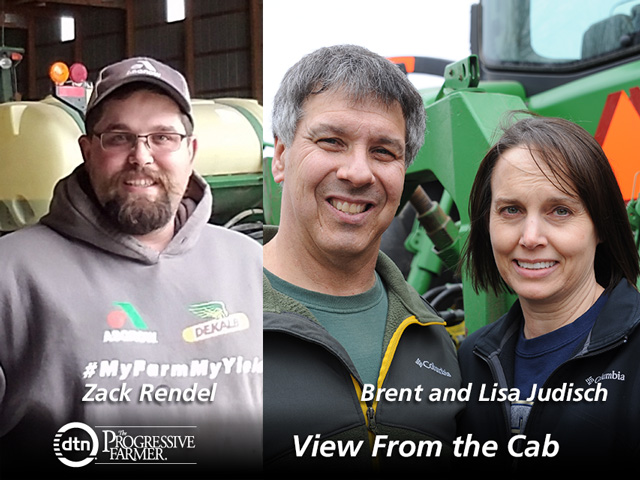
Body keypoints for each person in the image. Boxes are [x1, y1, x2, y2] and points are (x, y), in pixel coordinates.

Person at [0, 57, 262, 479]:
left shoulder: (252, 267)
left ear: (191, 152)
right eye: (118, 137)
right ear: (87, 151)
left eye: (163, 137)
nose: (141, 157)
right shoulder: (13, 275)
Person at [263, 44, 463, 475]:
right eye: (332, 141)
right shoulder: (209, 320)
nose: (358, 172)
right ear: (281, 157)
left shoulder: (433, 340)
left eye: (384, 152)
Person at [458, 115, 640, 475]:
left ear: (601, 225)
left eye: (560, 211)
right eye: (511, 210)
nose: (530, 237)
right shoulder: (471, 361)